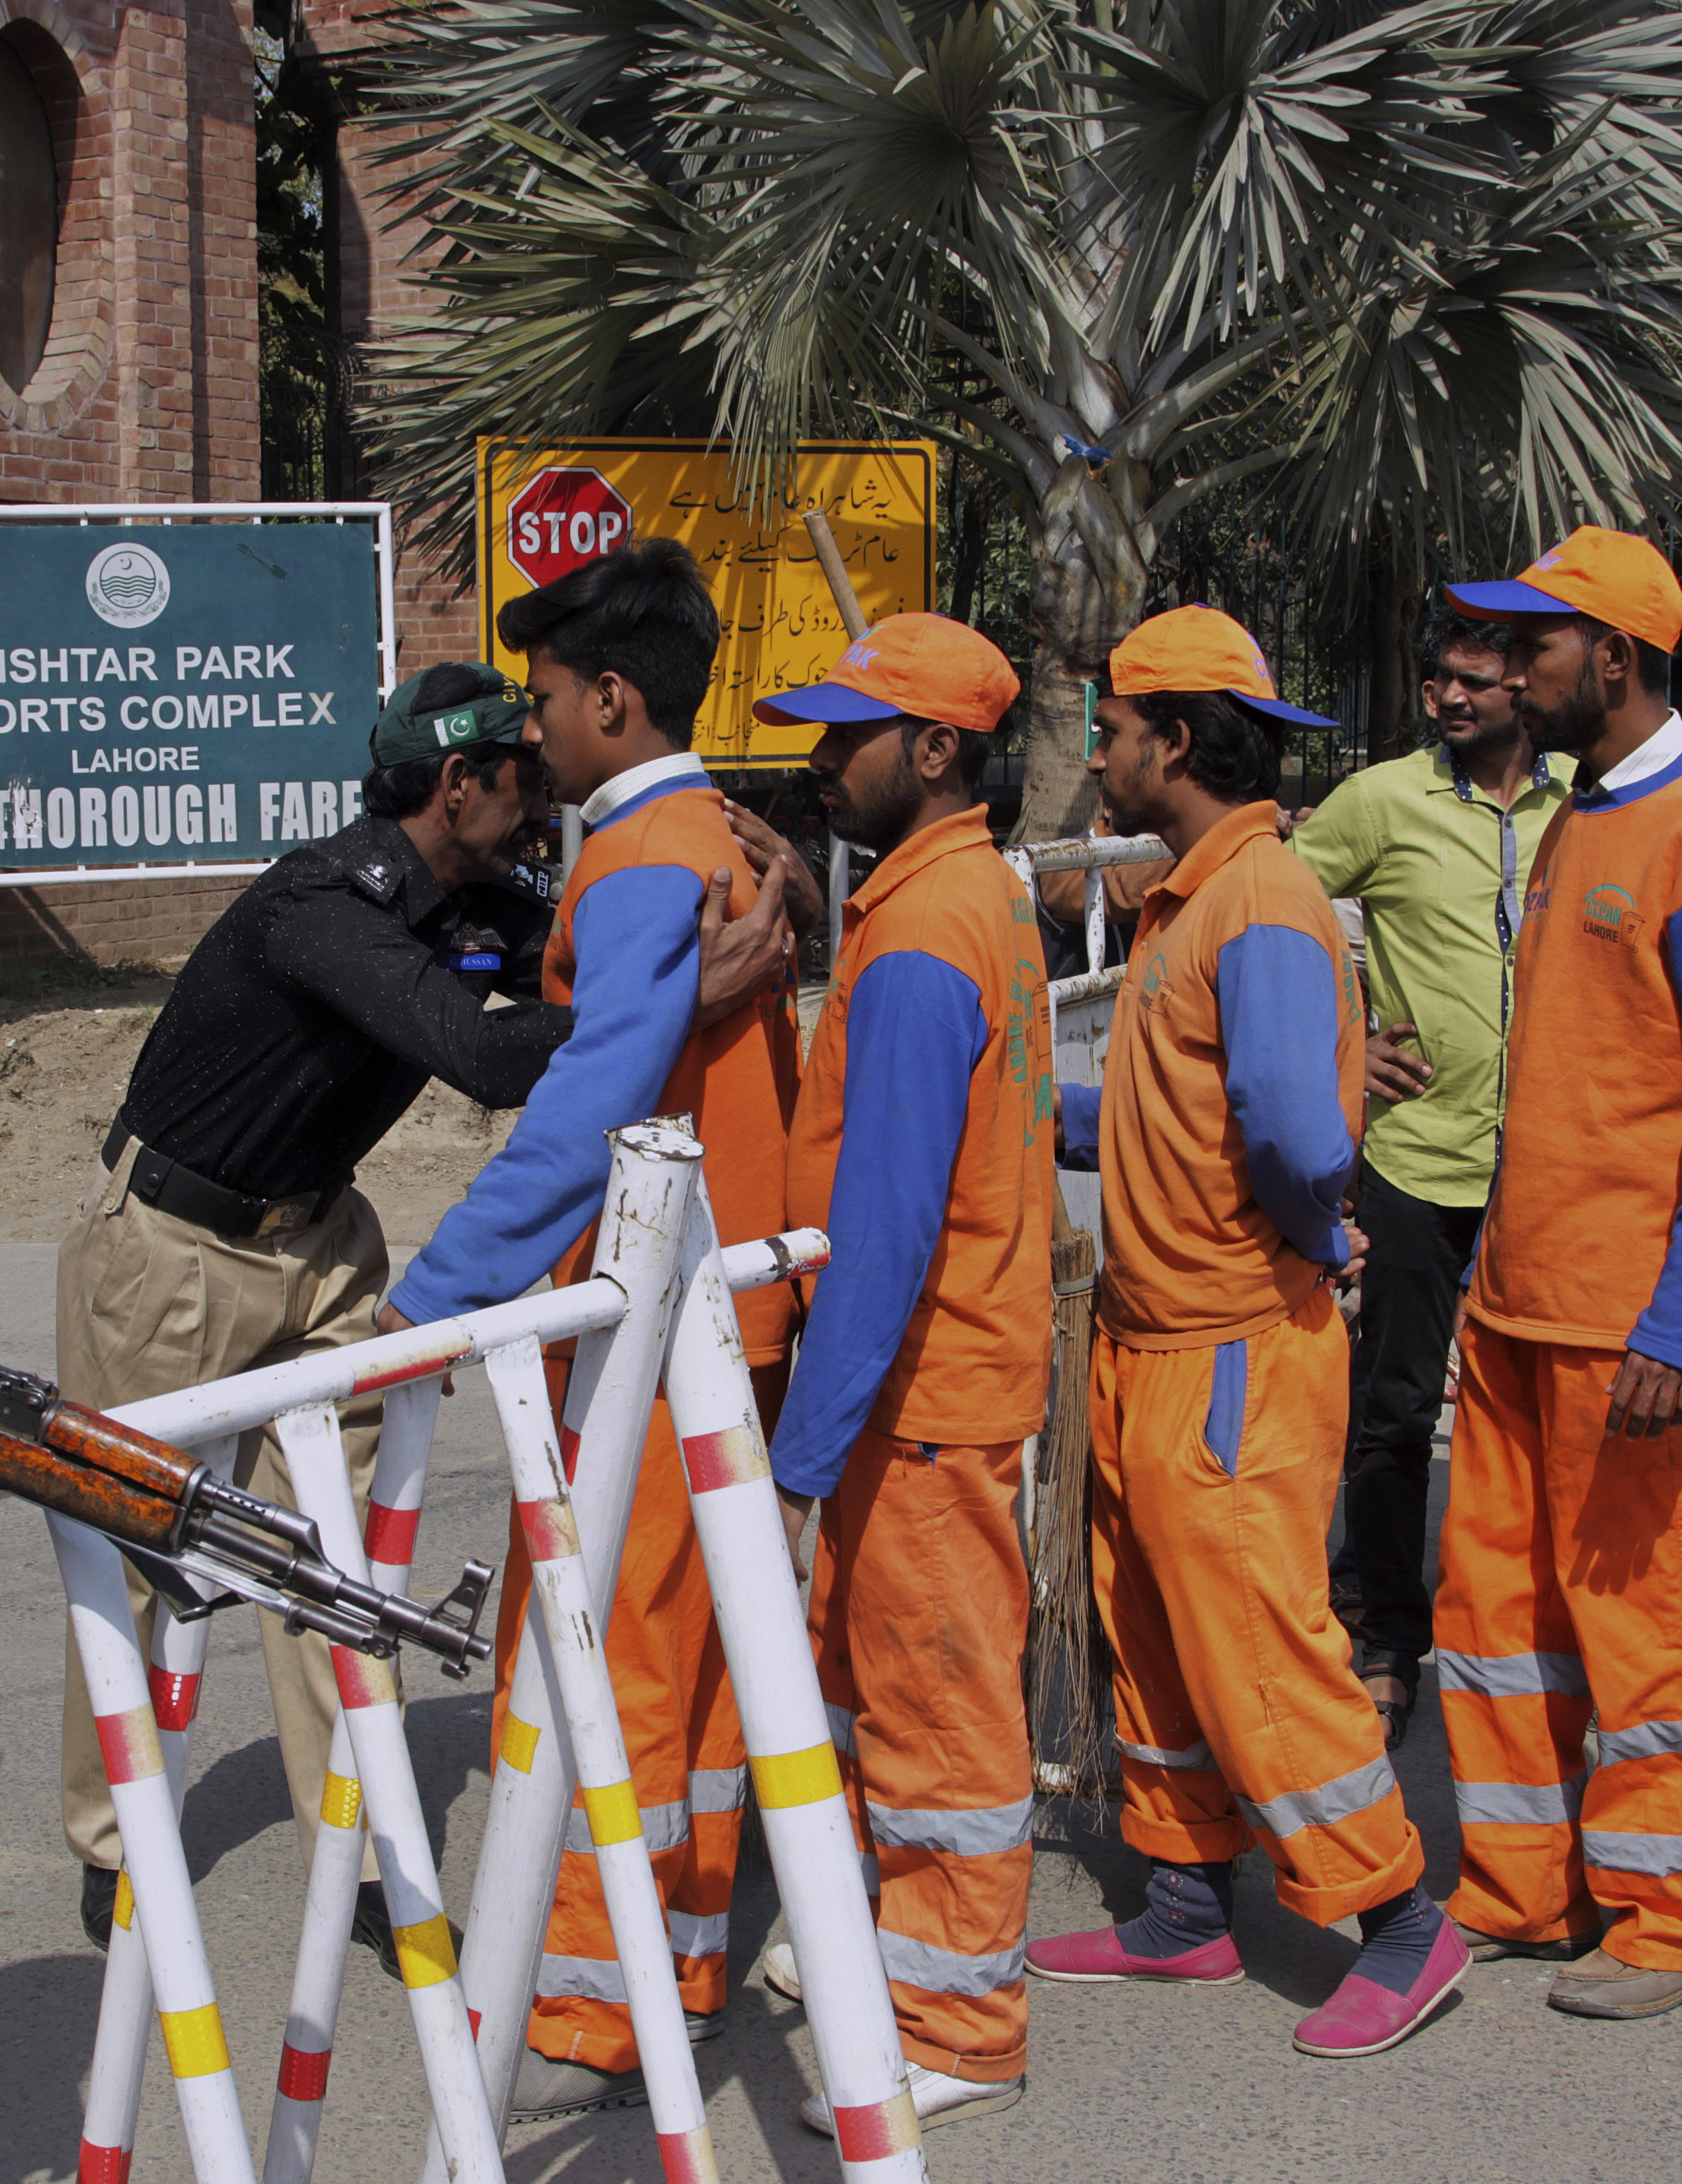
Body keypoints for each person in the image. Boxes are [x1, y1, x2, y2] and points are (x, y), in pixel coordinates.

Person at [52, 660, 796, 1971]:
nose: (543, 800)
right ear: (459, 785)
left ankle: (359, 1843)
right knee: (131, 1542)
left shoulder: (481, 897)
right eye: (521, 779)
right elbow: (484, 1051)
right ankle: (114, 1842)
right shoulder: (321, 906)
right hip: (173, 1246)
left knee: (338, 1562)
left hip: (323, 1246)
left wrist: (742, 888)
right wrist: (680, 1000)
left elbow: (589, 972)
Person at [382, 537, 805, 2119]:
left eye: (549, 699)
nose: (533, 730)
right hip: (722, 1312)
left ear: (612, 699)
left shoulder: (637, 857)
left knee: (600, 1672)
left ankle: (579, 2013)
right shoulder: (715, 841)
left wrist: (431, 1292)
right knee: (681, 1669)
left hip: (637, 1332)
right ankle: (671, 1963)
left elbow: (587, 1106)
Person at [1023, 605, 1467, 2060]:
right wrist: (1047, 1112)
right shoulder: (1195, 898)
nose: (1098, 751)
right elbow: (1188, 1114)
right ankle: (1188, 1901)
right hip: (1160, 1338)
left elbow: (1289, 1130)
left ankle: (1400, 1919)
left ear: (1175, 739)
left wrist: (1305, 1222)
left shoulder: (1259, 898)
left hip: (1224, 1342)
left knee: (1255, 1642)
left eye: (1114, 726)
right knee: (1153, 1632)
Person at [1425, 527, 1682, 2016]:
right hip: (1524, 1304)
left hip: (1631, 1322)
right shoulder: (1586, 816)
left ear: (1618, 659)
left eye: (1535, 647)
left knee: (1648, 1622)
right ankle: (1523, 1888)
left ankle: (1673, 1916)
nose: (1510, 671)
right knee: (1498, 1615)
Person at [744, 614, 1045, 2133]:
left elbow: (889, 1222)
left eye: (844, 734)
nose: (816, 760)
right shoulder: (949, 895)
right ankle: (891, 1946)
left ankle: (960, 2024)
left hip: (922, 1394)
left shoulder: (929, 932)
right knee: (884, 1694)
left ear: (933, 750)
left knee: (940, 1717)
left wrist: (804, 1447)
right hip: (927, 1390)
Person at [1288, 605, 1567, 1742]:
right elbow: (1274, 912)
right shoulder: (1380, 801)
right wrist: (1352, 1032)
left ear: (1526, 690)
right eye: (1438, 680)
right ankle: (1388, 1630)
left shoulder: (1582, 801)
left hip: (1547, 1163)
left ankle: (1535, 1633)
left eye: (1475, 683)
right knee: (1393, 1408)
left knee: (1536, 1415)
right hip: (1416, 1156)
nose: (1450, 700)